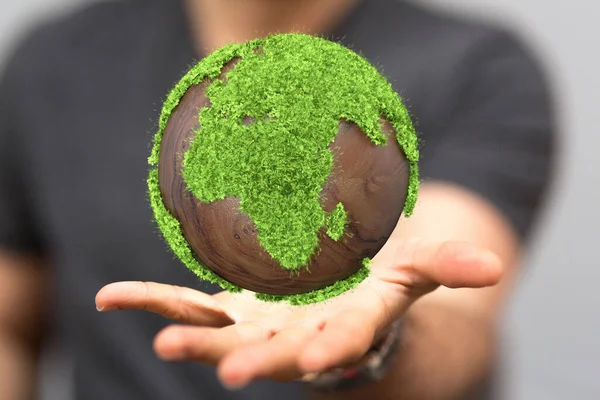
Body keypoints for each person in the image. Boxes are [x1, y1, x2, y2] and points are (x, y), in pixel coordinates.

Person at [0, 0, 555, 399]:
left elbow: (453, 317)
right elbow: (11, 326)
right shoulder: (51, 63)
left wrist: (373, 346)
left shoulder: (477, 69)